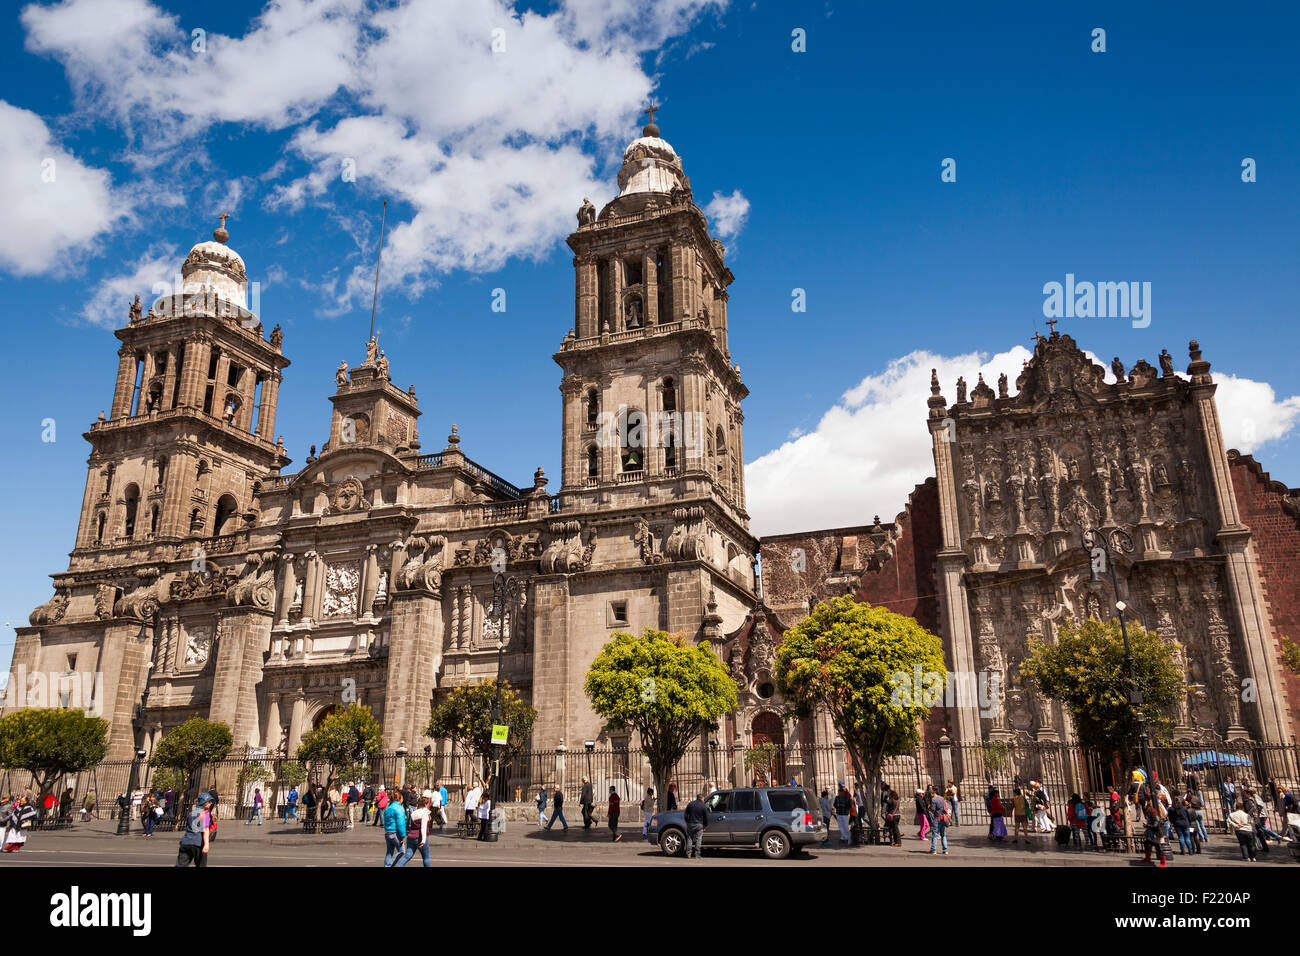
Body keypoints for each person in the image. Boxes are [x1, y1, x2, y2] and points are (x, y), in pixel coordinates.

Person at [176, 793, 213, 867]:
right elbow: (205, 829)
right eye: (209, 801)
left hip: (186, 841)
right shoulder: (204, 814)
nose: (211, 803)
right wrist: (206, 844)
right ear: (205, 803)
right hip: (198, 843)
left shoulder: (191, 813)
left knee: (181, 865)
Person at [399, 796, 431, 867]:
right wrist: (423, 840)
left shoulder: (414, 813)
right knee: (426, 857)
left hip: (411, 837)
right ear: (426, 804)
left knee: (407, 856)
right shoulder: (424, 813)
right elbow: (423, 827)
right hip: (419, 837)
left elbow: (411, 825)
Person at [382, 788, 406, 866]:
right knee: (402, 851)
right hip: (395, 832)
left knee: (389, 852)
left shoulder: (388, 808)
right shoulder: (399, 808)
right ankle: (388, 865)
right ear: (399, 799)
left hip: (388, 832)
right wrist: (403, 835)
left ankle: (387, 865)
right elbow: (400, 823)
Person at [684, 791, 709, 859]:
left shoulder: (690, 804)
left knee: (689, 838)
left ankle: (688, 854)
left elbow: (686, 814)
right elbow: (706, 817)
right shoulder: (703, 806)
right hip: (699, 824)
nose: (704, 800)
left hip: (691, 823)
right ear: (701, 798)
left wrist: (687, 821)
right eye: (703, 799)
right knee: (698, 839)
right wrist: (705, 825)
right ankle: (697, 855)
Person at [928, 788, 951, 855]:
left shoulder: (933, 799)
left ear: (933, 794)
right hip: (943, 818)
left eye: (930, 794)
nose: (930, 796)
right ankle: (945, 850)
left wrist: (929, 807)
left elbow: (933, 809)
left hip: (937, 818)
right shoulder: (942, 798)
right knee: (943, 834)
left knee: (935, 834)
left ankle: (933, 850)